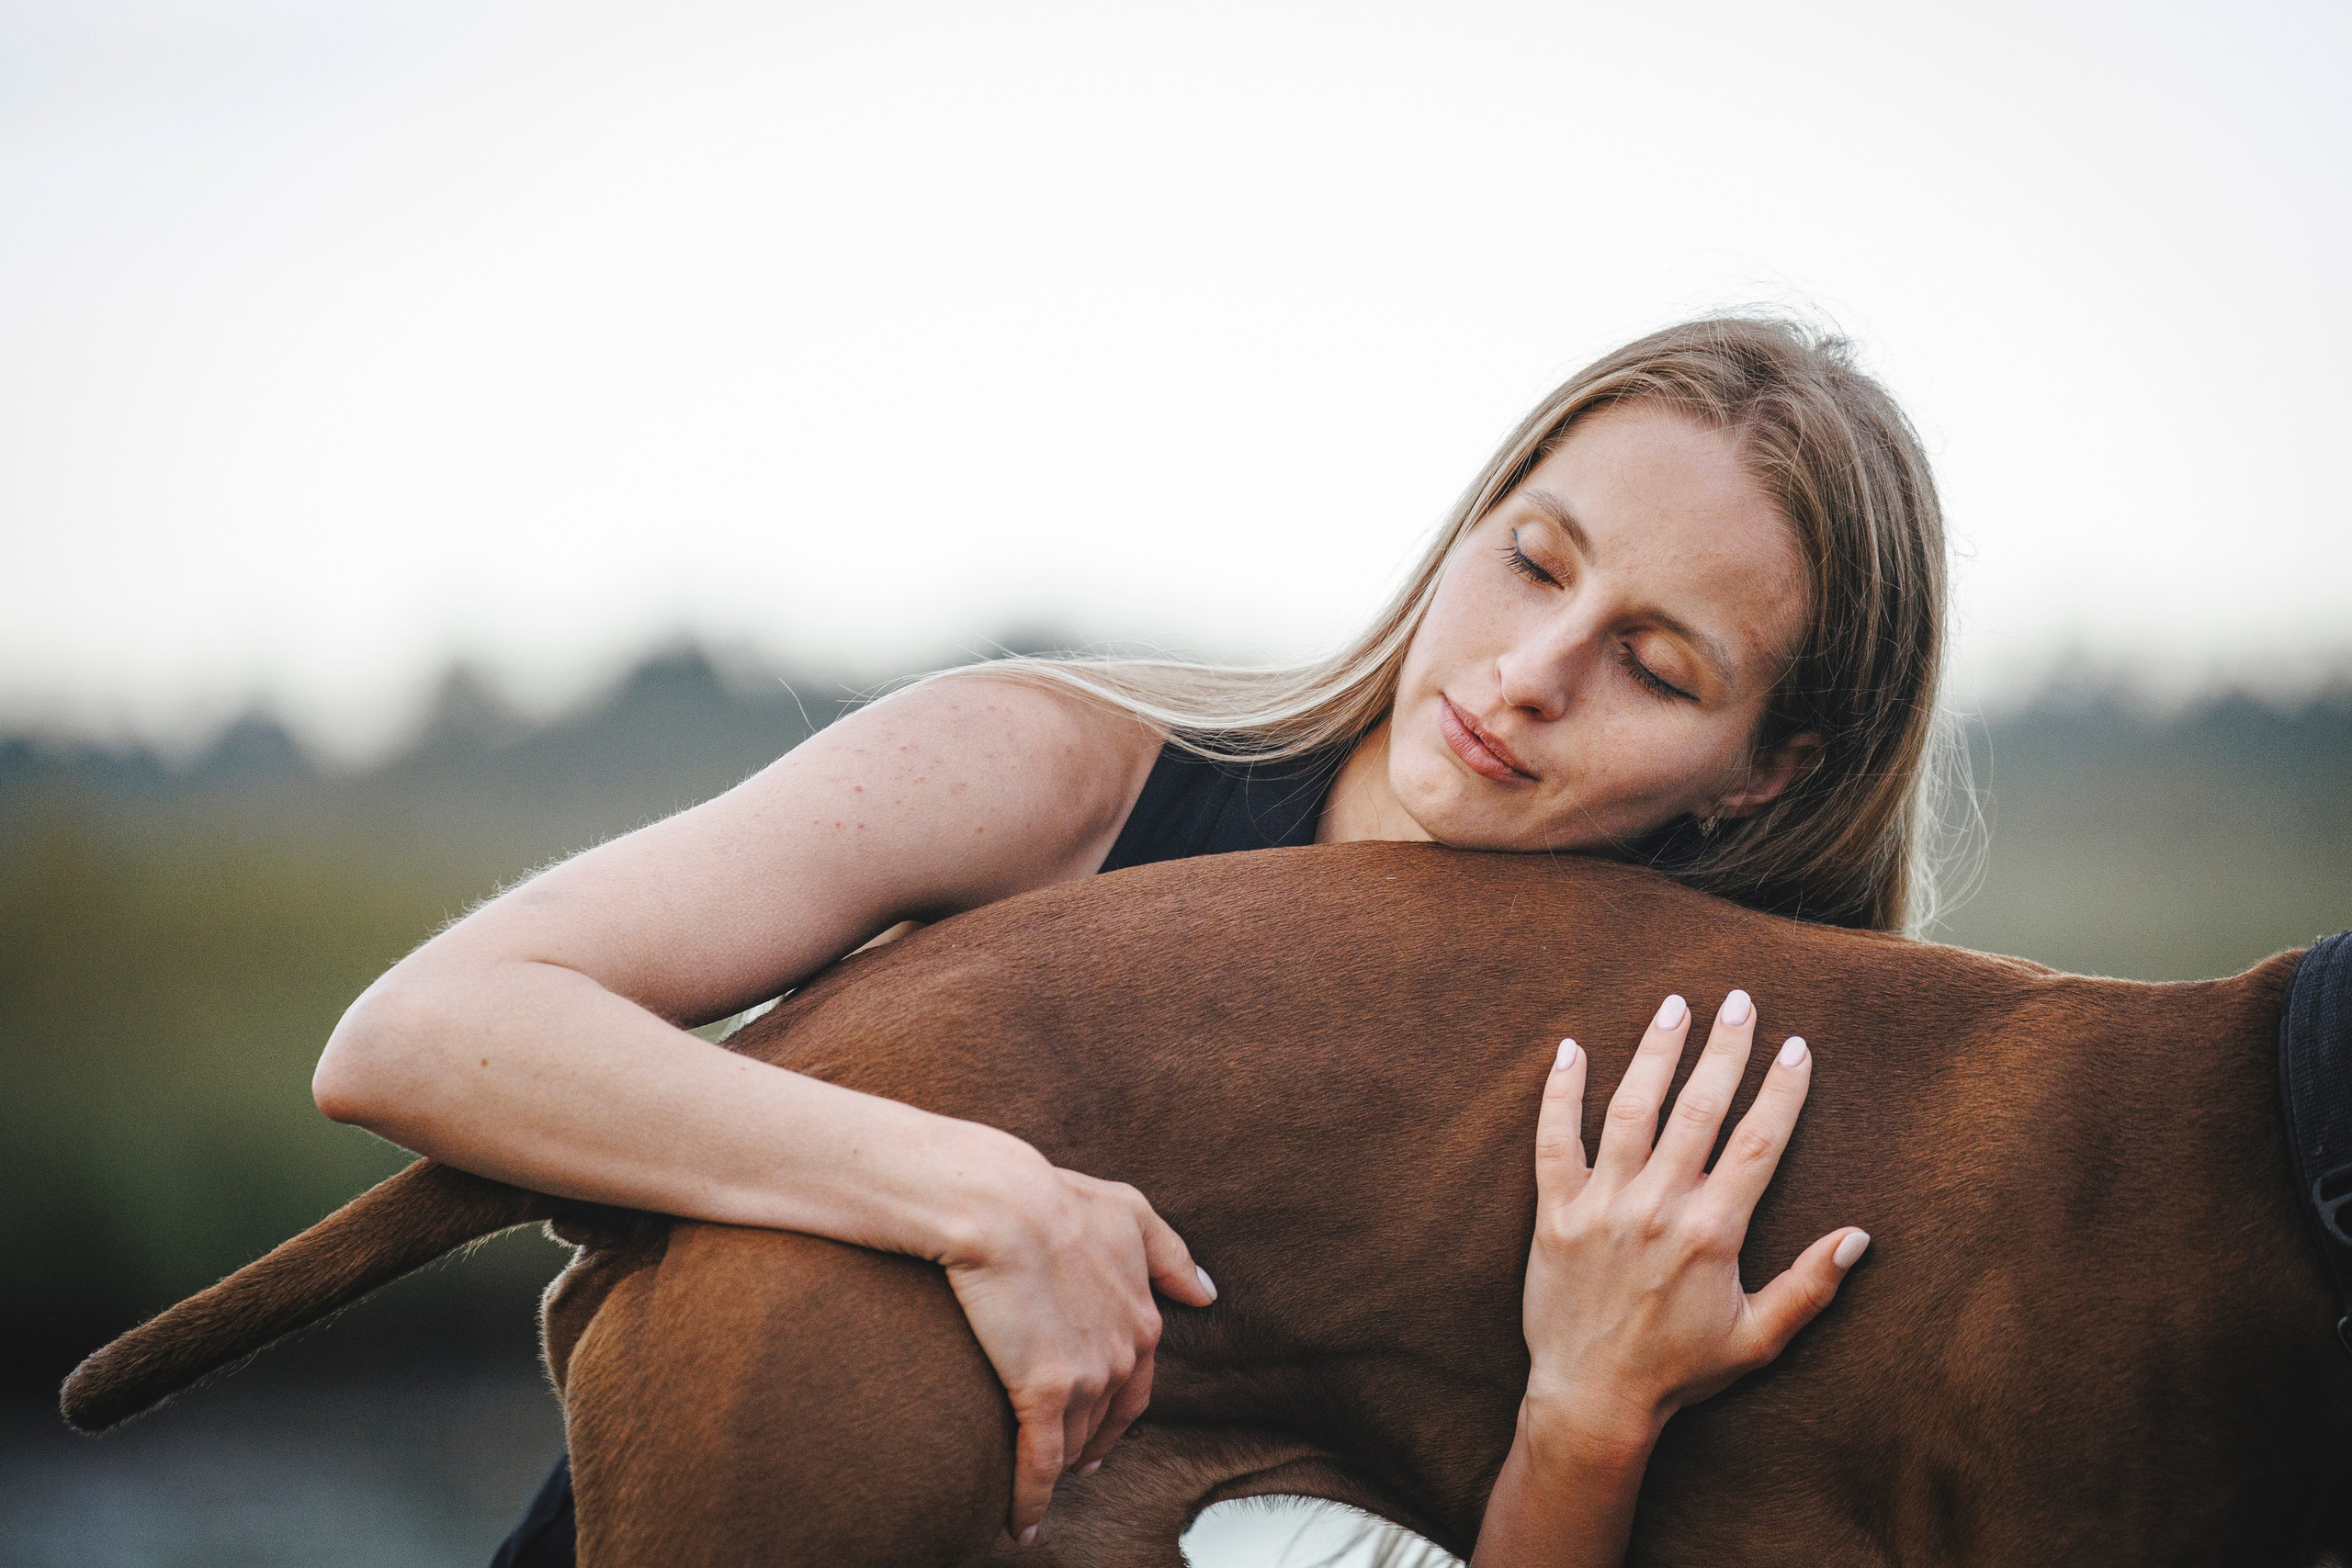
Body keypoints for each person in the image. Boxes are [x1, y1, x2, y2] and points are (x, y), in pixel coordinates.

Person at [311, 313, 1955, 1566]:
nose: (1531, 668)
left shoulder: (1703, 1134)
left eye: (1657, 669)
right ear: (1469, 521)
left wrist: (1588, 1422)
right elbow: (429, 1029)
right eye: (1531, 559)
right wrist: (981, 1198)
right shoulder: (1065, 774)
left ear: (1767, 776)